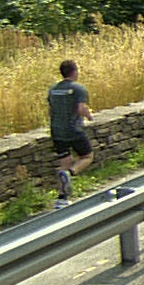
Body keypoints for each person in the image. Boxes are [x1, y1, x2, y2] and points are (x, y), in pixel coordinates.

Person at [48, 60, 94, 209]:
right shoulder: (78, 89)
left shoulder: (53, 90)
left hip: (57, 131)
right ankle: (71, 173)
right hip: (74, 130)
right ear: (74, 71)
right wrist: (89, 116)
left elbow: (51, 111)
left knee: (64, 162)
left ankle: (62, 199)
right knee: (87, 156)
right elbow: (81, 108)